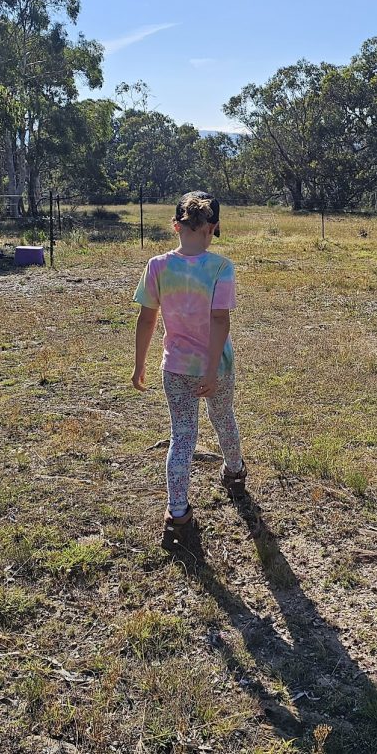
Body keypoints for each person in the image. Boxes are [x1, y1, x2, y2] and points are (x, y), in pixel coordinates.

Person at [132, 191, 246, 545]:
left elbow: (146, 318)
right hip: (217, 367)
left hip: (175, 368)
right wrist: (211, 371)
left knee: (182, 437)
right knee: (223, 415)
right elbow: (220, 321)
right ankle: (235, 472)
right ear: (212, 229)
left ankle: (177, 513)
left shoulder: (157, 266)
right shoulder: (221, 267)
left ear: (176, 226)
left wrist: (139, 364)